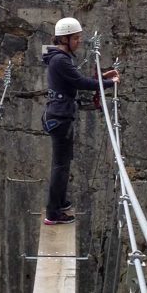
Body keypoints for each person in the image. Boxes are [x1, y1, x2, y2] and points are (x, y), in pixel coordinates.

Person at [42, 17, 120, 225]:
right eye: (75, 38)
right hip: (60, 117)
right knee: (60, 165)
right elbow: (80, 82)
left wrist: (102, 78)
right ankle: (53, 212)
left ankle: (59, 202)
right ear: (65, 39)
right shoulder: (60, 60)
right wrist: (108, 83)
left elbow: (76, 79)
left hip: (59, 115)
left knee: (63, 163)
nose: (78, 42)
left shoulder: (60, 58)